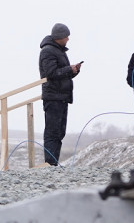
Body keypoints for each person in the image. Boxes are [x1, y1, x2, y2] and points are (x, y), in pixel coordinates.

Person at [39, 23, 81, 165]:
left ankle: (53, 163)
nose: (68, 39)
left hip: (62, 97)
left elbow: (61, 74)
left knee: (59, 132)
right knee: (52, 132)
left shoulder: (59, 51)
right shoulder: (48, 51)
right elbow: (50, 73)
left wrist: (74, 70)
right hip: (53, 97)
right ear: (59, 37)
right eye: (66, 36)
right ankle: (50, 163)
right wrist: (68, 69)